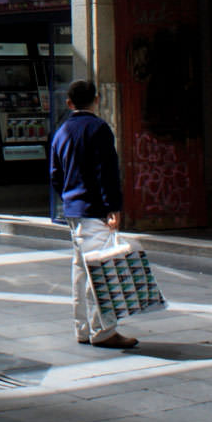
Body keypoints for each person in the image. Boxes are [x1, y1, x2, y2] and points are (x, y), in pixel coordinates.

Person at [49, 79, 136, 350]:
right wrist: (113, 207)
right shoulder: (99, 129)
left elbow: (55, 174)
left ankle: (82, 328)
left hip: (73, 210)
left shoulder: (61, 132)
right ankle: (104, 330)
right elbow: (107, 172)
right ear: (96, 99)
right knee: (102, 270)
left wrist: (67, 197)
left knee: (79, 271)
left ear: (69, 103)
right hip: (94, 210)